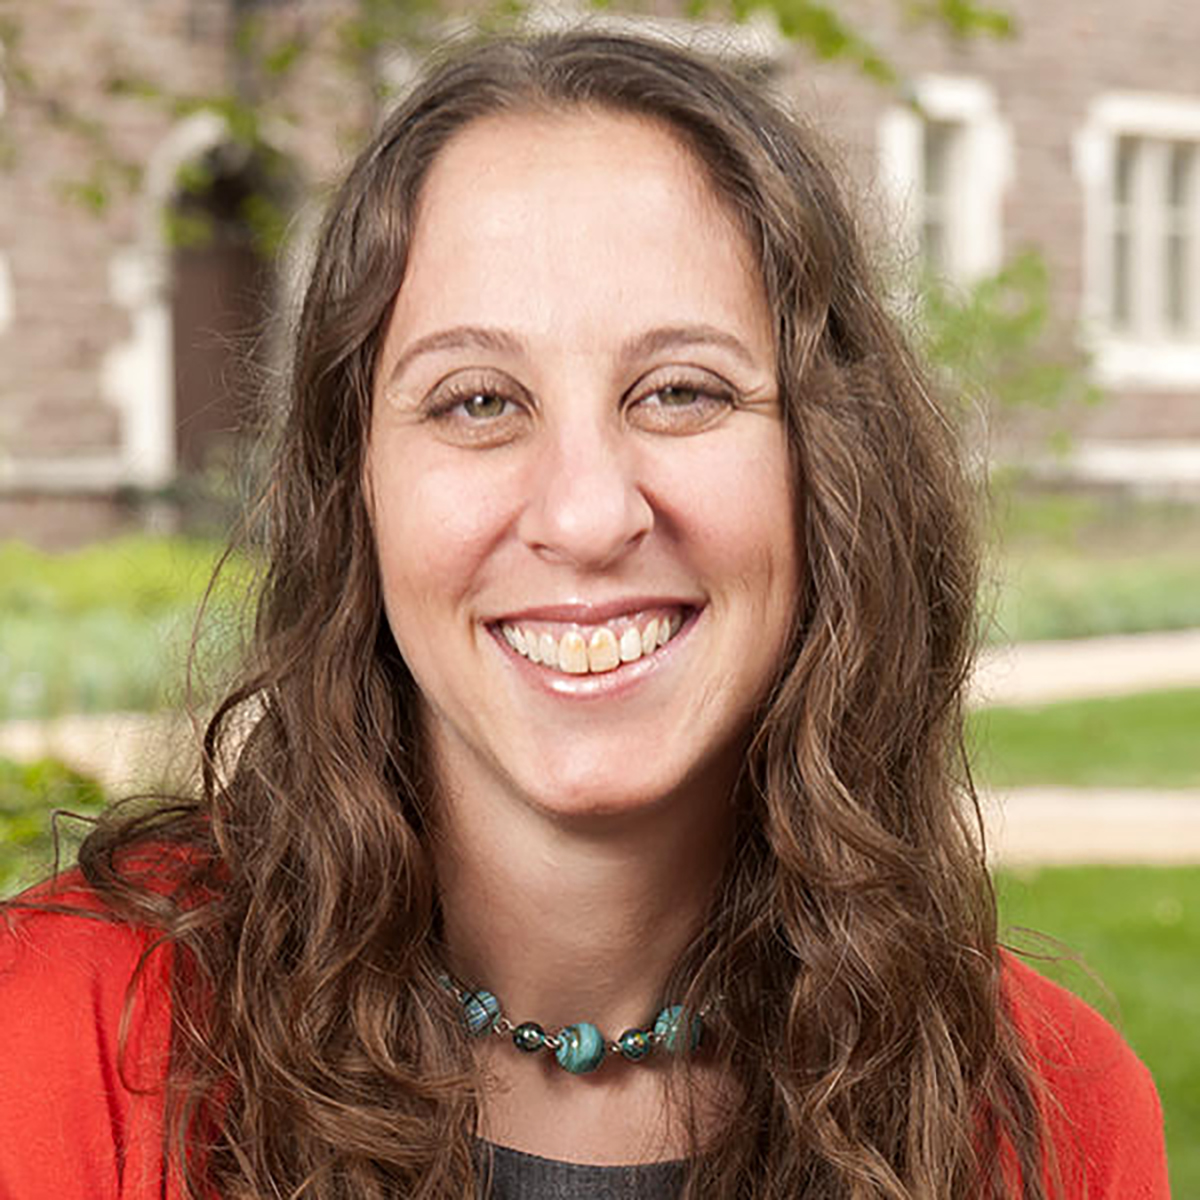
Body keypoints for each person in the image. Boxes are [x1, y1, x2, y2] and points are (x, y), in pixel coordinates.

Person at [0, 30, 1169, 1200]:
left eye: (679, 391)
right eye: (476, 401)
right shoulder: (59, 1036)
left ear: (831, 469)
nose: (587, 511)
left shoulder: (1053, 1115)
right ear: (354, 494)